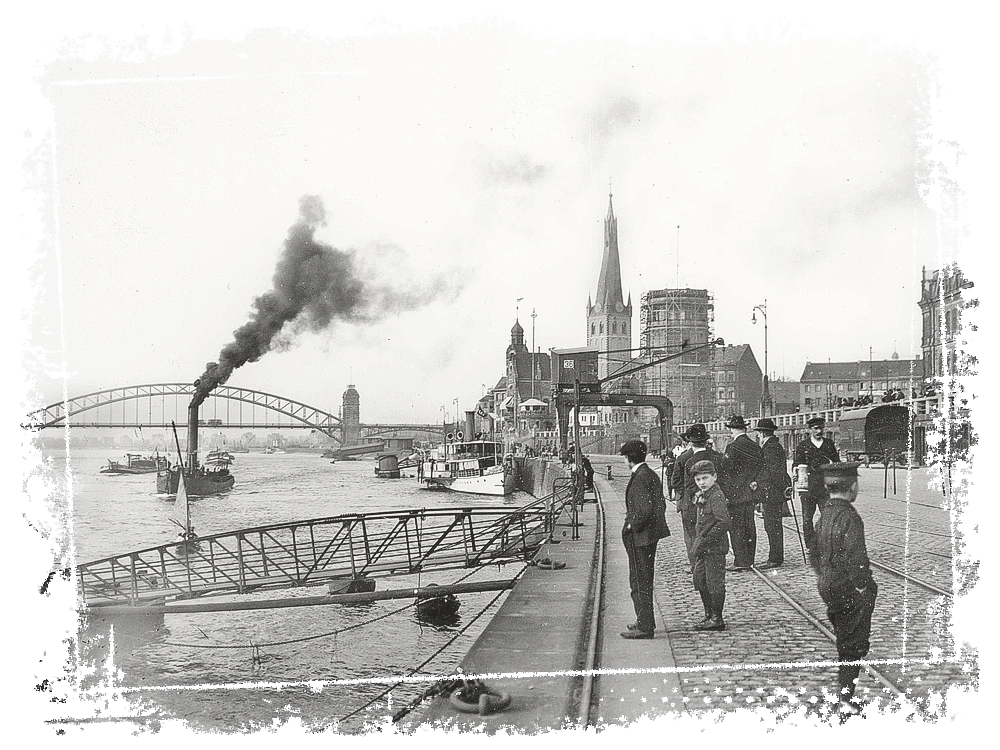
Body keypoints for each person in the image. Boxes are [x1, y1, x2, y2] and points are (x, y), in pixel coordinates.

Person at [809, 462, 879, 725]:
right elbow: (857, 557)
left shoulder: (824, 514)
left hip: (828, 585)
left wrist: (824, 576)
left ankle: (846, 695)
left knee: (844, 640)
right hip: (849, 589)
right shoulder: (850, 517)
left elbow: (814, 551)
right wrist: (863, 586)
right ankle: (847, 704)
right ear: (852, 487)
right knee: (853, 644)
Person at [619, 439, 671, 639]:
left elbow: (644, 509)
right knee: (643, 579)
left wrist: (632, 525)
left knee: (639, 581)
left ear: (628, 458)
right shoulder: (649, 474)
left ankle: (645, 626)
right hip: (649, 536)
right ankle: (643, 620)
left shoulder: (640, 477)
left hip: (640, 538)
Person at [670, 425, 727, 570]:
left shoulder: (684, 459)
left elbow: (675, 482)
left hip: (690, 504)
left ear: (690, 441)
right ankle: (711, 564)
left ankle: (695, 565)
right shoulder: (717, 456)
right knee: (712, 532)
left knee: (691, 535)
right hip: (715, 502)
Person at [689, 459, 731, 631]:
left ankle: (716, 618)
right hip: (703, 548)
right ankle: (708, 614)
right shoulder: (703, 495)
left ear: (714, 477)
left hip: (714, 548)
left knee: (714, 583)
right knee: (700, 580)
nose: (701, 483)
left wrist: (705, 539)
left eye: (705, 478)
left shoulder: (716, 496)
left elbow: (724, 522)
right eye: (698, 480)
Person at [793, 416, 841, 551]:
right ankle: (811, 544)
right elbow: (797, 464)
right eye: (816, 428)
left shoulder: (828, 444)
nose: (819, 431)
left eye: (821, 428)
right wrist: (795, 473)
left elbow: (836, 462)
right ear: (810, 429)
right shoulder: (803, 445)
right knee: (807, 518)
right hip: (808, 488)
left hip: (824, 487)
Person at [722, 415, 762, 571]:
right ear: (744, 428)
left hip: (735, 494)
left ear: (732, 429)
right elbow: (761, 467)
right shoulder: (755, 446)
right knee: (750, 526)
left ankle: (741, 561)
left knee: (737, 528)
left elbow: (726, 470)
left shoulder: (732, 447)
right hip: (750, 492)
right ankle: (750, 559)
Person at [753, 418, 792, 568]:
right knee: (772, 525)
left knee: (772, 525)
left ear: (762, 433)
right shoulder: (774, 446)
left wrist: (782, 488)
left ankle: (775, 558)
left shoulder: (770, 448)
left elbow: (774, 473)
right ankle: (775, 556)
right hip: (773, 492)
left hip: (772, 492)